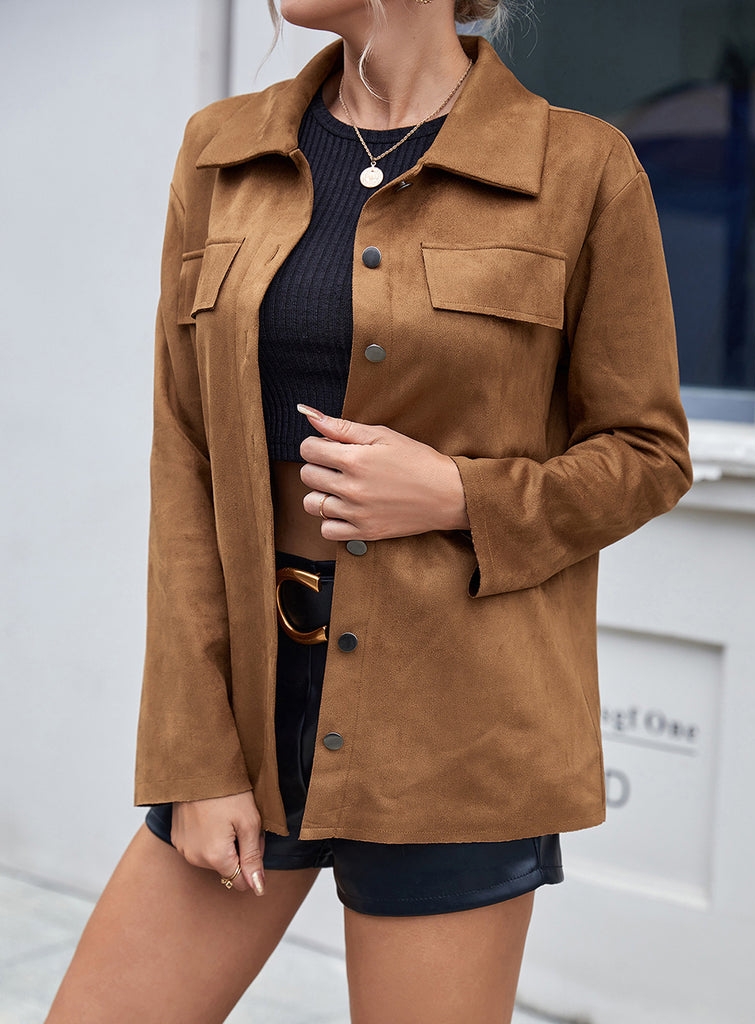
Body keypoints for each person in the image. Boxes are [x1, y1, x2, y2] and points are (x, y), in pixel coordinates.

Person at [46, 0, 693, 1020]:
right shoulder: (221, 152)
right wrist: (194, 755)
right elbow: (186, 464)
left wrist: (458, 494)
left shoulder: (580, 168)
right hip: (253, 704)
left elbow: (647, 454)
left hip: (462, 721)